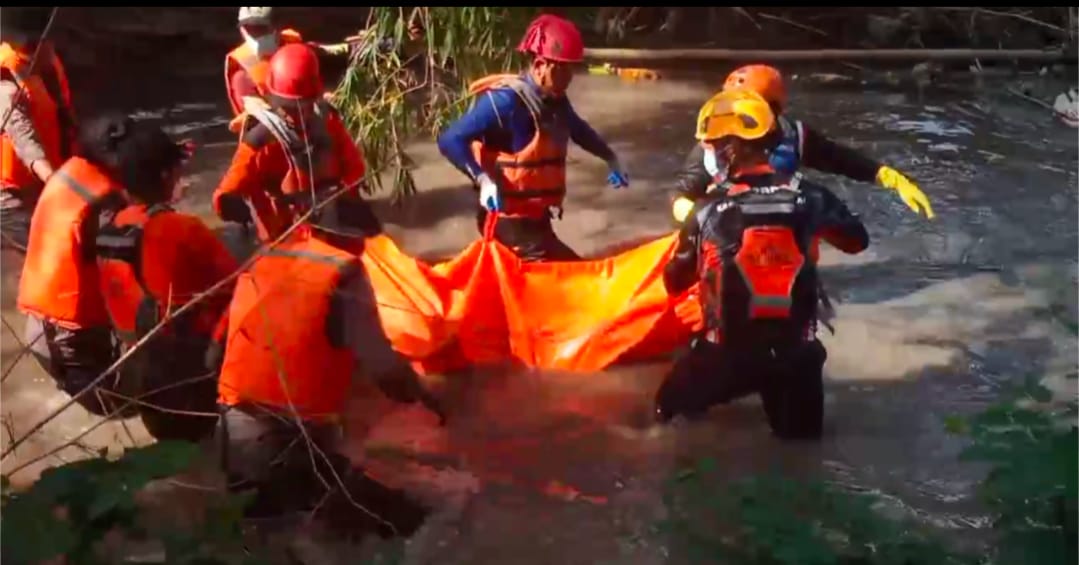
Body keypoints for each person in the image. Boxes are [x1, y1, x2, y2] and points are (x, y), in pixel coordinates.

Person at [213, 184, 441, 536]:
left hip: (231, 439)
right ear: (356, 239)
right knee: (417, 523)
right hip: (285, 445)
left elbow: (214, 354)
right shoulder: (344, 274)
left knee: (267, 533)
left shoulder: (267, 257)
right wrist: (431, 400)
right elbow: (387, 373)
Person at [655, 89, 870, 440]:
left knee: (663, 416)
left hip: (724, 357)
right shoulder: (812, 197)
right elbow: (857, 242)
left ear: (731, 149)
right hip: (797, 357)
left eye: (713, 145)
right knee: (802, 453)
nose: (710, 153)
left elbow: (675, 281)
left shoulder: (706, 209)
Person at [436, 13, 630, 262]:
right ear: (539, 65)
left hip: (537, 222)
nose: (569, 77)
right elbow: (450, 139)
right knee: (573, 279)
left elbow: (578, 129)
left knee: (577, 271)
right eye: (561, 68)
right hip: (507, 224)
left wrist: (611, 158)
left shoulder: (555, 99)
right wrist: (482, 180)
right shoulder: (504, 101)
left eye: (572, 68)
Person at [95, 123, 236, 443]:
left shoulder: (109, 233)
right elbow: (238, 287)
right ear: (165, 175)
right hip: (193, 374)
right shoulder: (183, 228)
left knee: (174, 451)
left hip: (143, 375)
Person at [669, 64, 934, 224]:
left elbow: (840, 160)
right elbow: (680, 194)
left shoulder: (794, 137)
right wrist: (702, 221)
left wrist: (889, 177)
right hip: (726, 229)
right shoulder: (713, 143)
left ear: (773, 109)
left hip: (782, 225)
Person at [17, 114, 133, 417]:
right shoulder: (106, 200)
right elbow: (125, 274)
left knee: (107, 405)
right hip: (69, 335)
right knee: (126, 408)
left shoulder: (70, 173)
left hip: (41, 325)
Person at [214, 43, 378, 242]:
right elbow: (228, 189)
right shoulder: (260, 140)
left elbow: (355, 167)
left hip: (335, 223)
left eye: (306, 105)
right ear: (274, 100)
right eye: (289, 107)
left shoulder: (328, 122)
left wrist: (339, 193)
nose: (299, 113)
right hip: (287, 234)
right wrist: (228, 202)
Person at [1, 7, 78, 251]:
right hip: (11, 199)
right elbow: (24, 139)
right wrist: (54, 181)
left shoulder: (48, 62)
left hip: (43, 185)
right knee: (50, 252)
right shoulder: (6, 82)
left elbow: (65, 120)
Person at [225, 7, 351, 134]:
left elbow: (313, 49)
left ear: (277, 28)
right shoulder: (241, 72)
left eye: (261, 28)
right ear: (241, 30)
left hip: (310, 121)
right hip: (275, 135)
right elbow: (257, 114)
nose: (255, 35)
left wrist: (349, 47)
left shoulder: (289, 42)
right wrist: (310, 107)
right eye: (248, 29)